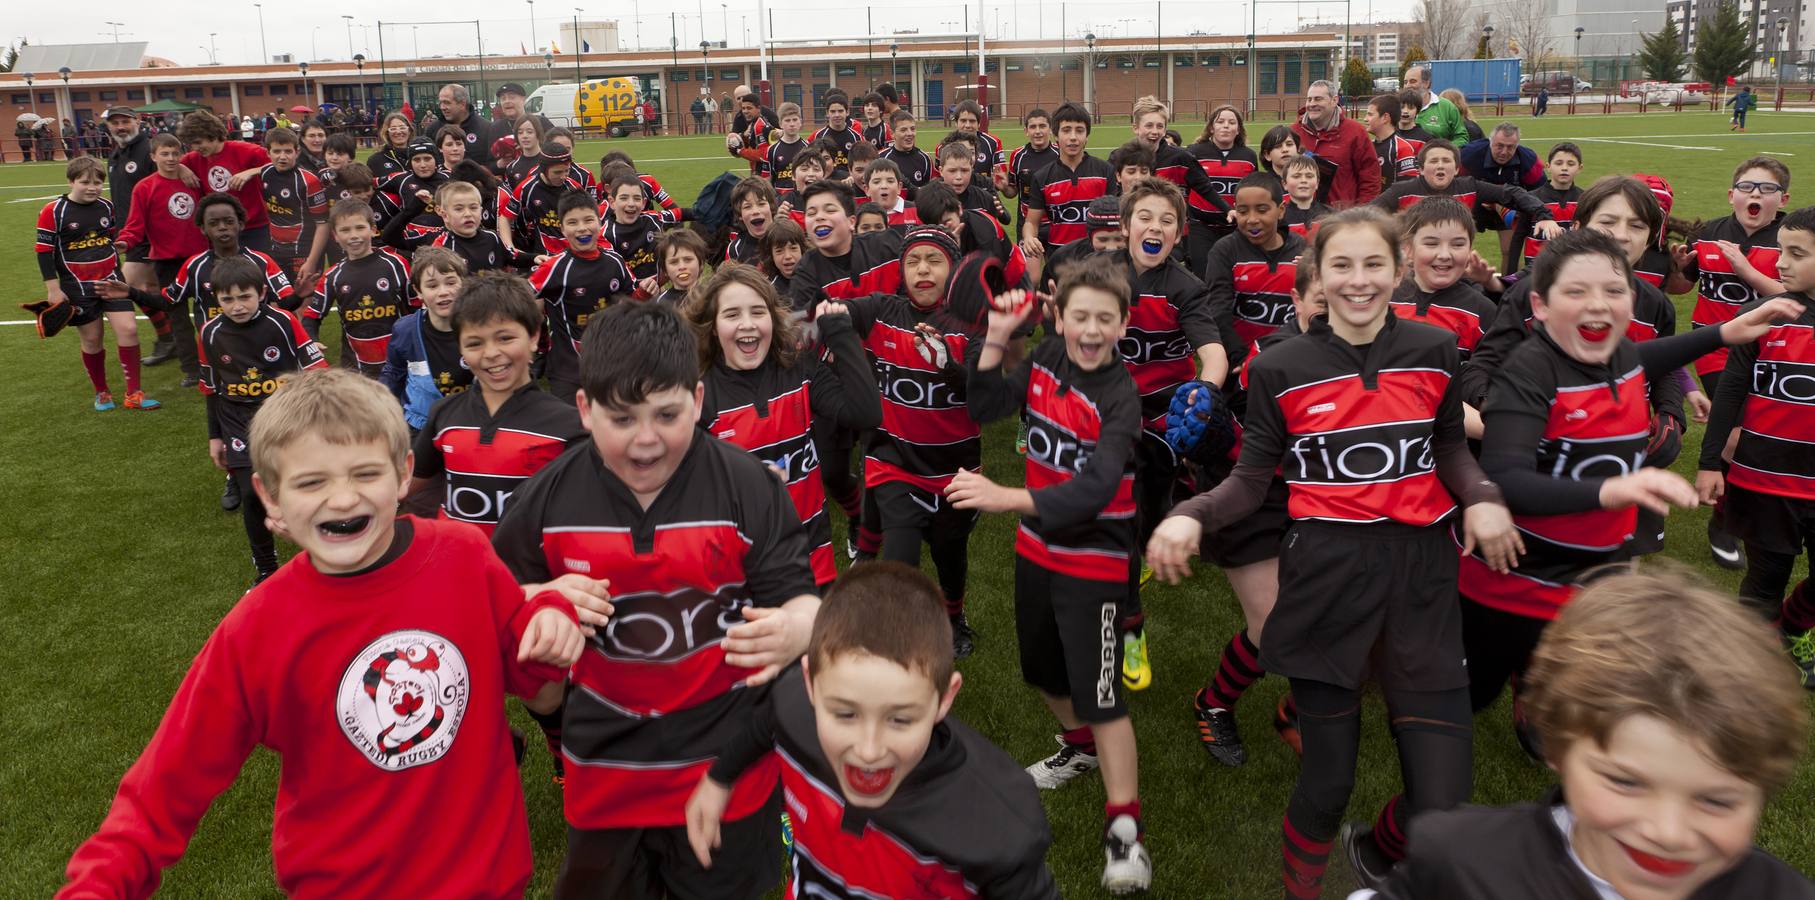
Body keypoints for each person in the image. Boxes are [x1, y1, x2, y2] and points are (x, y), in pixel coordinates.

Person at [57, 367, 585, 899]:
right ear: (269, 496)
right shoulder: (258, 629)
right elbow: (164, 785)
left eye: (365, 474)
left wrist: (550, 612)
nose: (342, 499)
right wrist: (99, 885)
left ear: (404, 473)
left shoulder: (464, 556)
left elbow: (529, 671)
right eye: (311, 482)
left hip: (489, 881)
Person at [1146, 206, 1519, 897]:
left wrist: (1483, 495)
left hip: (1422, 582)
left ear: (1398, 269)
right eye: (1340, 266)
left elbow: (1446, 447)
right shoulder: (1279, 368)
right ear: (1317, 275)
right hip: (1324, 579)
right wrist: (1190, 516)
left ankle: (1377, 852)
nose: (1357, 281)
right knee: (1327, 783)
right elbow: (1251, 479)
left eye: (1372, 264)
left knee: (1443, 794)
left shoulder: (1433, 348)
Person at [490, 300, 820, 899]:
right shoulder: (550, 498)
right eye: (622, 419)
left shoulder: (746, 487)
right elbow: (489, 599)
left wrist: (801, 626)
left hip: (729, 767)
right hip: (605, 770)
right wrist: (540, 595)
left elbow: (802, 601)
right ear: (585, 411)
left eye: (667, 415)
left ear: (697, 401)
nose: (646, 442)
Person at [1458, 230, 1803, 755]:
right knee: (1468, 695)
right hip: (1514, 580)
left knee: (1576, 690)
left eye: (1614, 291)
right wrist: (1615, 489)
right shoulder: (1527, 373)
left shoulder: (1616, 354)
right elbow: (1507, 479)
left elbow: (1647, 357)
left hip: (1594, 573)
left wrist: (1724, 332)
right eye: (1576, 292)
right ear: (1540, 305)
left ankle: (1548, 729)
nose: (1598, 303)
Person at [1363, 567, 1813, 898]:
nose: (1668, 831)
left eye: (1717, 800)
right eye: (1625, 781)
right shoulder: (1457, 858)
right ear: (1557, 748)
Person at [947, 254, 1150, 892]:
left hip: (1096, 556)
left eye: (1105, 320)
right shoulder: (1045, 360)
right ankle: (1079, 750)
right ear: (1058, 315)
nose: (1091, 330)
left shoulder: (1121, 395)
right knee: (1038, 668)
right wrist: (998, 340)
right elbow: (983, 406)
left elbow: (1094, 489)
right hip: (1039, 547)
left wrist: (1006, 498)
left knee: (1103, 695)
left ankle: (1126, 834)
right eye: (1079, 316)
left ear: (1123, 324)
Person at [685, 562, 1058, 897]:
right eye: (845, 715)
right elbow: (768, 722)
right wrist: (719, 779)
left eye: (899, 719)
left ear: (945, 698)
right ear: (810, 684)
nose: (868, 750)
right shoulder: (795, 710)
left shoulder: (991, 828)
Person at [837, 226, 989, 656]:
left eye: (934, 260)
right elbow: (831, 316)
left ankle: (954, 616)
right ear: (900, 271)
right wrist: (823, 326)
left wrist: (949, 369)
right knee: (901, 560)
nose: (922, 269)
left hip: (954, 472)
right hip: (896, 463)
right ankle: (902, 646)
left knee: (949, 554)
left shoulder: (975, 323)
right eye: (912, 261)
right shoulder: (881, 309)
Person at [686, 264, 882, 589]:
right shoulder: (698, 396)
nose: (747, 324)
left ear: (773, 320)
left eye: (757, 312)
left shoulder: (799, 368)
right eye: (732, 314)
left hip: (811, 553)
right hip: (742, 567)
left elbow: (866, 414)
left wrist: (843, 335)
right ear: (712, 326)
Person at [1697, 203, 1815, 687]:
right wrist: (1709, 463)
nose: (1780, 263)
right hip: (1764, 478)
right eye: (1781, 250)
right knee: (1764, 580)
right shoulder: (1764, 315)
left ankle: (1791, 625)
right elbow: (1729, 390)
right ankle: (1749, 665)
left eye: (1797, 253)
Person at [406, 270, 585, 538]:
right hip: (454, 570)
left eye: (505, 338)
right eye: (475, 343)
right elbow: (407, 484)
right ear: (461, 348)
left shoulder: (569, 425)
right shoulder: (444, 414)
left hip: (525, 576)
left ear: (534, 336)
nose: (491, 353)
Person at [1676, 156, 1790, 570]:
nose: (1755, 194)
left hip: (1778, 351)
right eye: (1746, 186)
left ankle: (1762, 505)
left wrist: (1746, 270)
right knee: (1737, 438)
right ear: (1731, 194)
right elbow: (1682, 286)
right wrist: (1679, 268)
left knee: (1765, 437)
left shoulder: (1793, 238)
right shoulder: (1709, 234)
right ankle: (1725, 523)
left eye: (1766, 188)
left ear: (1783, 198)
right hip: (1716, 349)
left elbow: (1795, 299)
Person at [191, 257, 331, 579]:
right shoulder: (210, 334)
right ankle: (266, 571)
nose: (237, 306)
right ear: (217, 299)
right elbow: (211, 390)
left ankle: (326, 551)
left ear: (262, 293)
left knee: (302, 486)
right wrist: (215, 437)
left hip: (285, 418)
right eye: (228, 299)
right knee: (253, 494)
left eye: (245, 297)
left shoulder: (282, 322)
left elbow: (317, 373)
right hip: (237, 421)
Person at [36, 157, 157, 412]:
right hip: (77, 286)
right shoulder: (53, 211)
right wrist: (53, 288)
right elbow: (44, 252)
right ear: (71, 181)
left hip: (112, 280)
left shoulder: (106, 207)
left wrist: (121, 244)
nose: (92, 187)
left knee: (129, 330)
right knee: (92, 340)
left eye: (97, 182)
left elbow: (110, 238)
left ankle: (134, 393)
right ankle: (102, 392)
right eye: (84, 182)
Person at [527, 191, 636, 404]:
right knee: (571, 428)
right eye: (573, 222)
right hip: (567, 369)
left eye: (588, 220)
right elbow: (522, 301)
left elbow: (632, 300)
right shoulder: (554, 267)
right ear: (562, 229)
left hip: (610, 362)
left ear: (599, 222)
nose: (582, 228)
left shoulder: (615, 262)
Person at [112, 132, 206, 371]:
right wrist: (125, 242)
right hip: (166, 261)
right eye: (165, 154)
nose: (171, 158)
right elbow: (134, 225)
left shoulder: (194, 181)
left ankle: (215, 362)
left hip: (200, 259)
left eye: (176, 153)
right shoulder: (144, 187)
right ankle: (191, 369)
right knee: (179, 318)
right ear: (153, 156)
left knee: (208, 315)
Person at [1203, 172, 1307, 364]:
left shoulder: (1302, 248)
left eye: (1262, 210)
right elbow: (1217, 311)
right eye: (1243, 211)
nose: (1252, 219)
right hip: (1241, 362)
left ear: (1281, 210)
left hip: (1293, 360)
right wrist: (1240, 357)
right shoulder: (1225, 250)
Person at [304, 199, 413, 377]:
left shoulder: (396, 264)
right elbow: (311, 317)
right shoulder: (332, 276)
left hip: (400, 359)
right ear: (335, 236)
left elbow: (415, 308)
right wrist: (313, 341)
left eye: (360, 228)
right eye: (345, 230)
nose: (353, 235)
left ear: (373, 229)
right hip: (355, 366)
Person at [1388, 197, 1499, 362]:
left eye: (1457, 244)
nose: (1444, 255)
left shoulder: (1482, 312)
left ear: (1470, 249)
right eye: (1432, 244)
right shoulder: (1385, 299)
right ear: (1408, 249)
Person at [379, 246, 471, 431]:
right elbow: (394, 373)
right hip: (421, 425)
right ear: (418, 291)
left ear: (464, 284)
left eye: (451, 282)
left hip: (470, 424)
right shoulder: (405, 330)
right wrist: (377, 401)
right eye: (432, 285)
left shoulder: (481, 326)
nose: (443, 291)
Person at [1020, 102, 1115, 259]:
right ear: (1056, 135)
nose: (1073, 137)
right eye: (1066, 130)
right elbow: (1031, 222)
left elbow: (1116, 219)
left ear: (1087, 136)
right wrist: (1029, 237)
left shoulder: (1105, 171)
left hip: (1098, 258)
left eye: (1079, 131)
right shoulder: (1042, 177)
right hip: (1059, 257)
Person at [176, 110, 274, 252]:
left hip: (254, 227)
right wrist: (180, 168)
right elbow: (164, 166)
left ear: (213, 135)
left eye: (198, 142)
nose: (195, 148)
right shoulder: (192, 159)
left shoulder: (245, 150)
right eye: (191, 144)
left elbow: (279, 164)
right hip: (218, 230)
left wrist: (251, 172)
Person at [1459, 122, 1545, 271]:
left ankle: (1508, 288)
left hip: (1508, 206)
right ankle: (1460, 285)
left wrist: (1521, 209)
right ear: (1490, 142)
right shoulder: (1468, 154)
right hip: (1473, 204)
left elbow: (1541, 191)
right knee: (1460, 248)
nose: (1504, 152)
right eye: (1499, 146)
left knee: (1509, 250)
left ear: (1517, 145)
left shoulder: (1529, 160)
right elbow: (1454, 183)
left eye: (1510, 147)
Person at [260, 128, 330, 303]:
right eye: (276, 151)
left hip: (304, 254)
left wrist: (312, 261)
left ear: (297, 152)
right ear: (268, 152)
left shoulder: (309, 181)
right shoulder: (265, 173)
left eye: (288, 151)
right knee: (278, 304)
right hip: (275, 252)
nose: (282, 157)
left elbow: (323, 224)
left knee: (302, 306)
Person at [1185, 105, 1256, 268]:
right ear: (1211, 127)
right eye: (1220, 122)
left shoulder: (1248, 156)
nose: (1226, 126)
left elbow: (1251, 191)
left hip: (1235, 229)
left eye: (1232, 122)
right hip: (1201, 227)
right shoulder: (1194, 152)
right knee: (1203, 275)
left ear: (1238, 129)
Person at [1290, 79, 1381, 208]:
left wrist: (1362, 212)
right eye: (1309, 99)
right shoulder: (1294, 132)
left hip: (1341, 217)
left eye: (1318, 99)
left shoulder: (1355, 132)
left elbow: (1370, 177)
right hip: (1301, 215)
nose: (1311, 104)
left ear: (1334, 100)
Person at [420, 83, 503, 171]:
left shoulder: (486, 128)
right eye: (440, 103)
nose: (442, 107)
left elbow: (494, 163)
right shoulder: (433, 129)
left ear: (462, 104)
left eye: (447, 103)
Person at [1400, 64, 1470, 144]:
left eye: (1413, 81)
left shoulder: (1446, 107)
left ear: (1426, 83)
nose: (1408, 86)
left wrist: (1442, 150)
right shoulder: (1395, 106)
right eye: (1405, 82)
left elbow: (1462, 137)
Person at [1366, 93, 1422, 190]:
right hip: (1369, 204)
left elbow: (1408, 189)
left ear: (1385, 118)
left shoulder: (1401, 148)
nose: (1365, 119)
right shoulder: (1368, 145)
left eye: (1370, 114)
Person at [879, 108, 934, 195]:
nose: (909, 134)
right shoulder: (882, 158)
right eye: (903, 130)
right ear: (892, 134)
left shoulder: (924, 158)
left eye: (912, 129)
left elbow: (929, 193)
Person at [810, 89, 865, 174]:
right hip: (825, 183)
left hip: (849, 183)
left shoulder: (857, 137)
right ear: (827, 113)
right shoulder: (818, 136)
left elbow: (863, 163)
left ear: (847, 112)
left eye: (840, 111)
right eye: (833, 111)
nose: (837, 115)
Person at [1280, 155, 1332, 239]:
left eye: (1309, 176)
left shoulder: (1331, 215)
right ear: (1285, 184)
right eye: (1296, 176)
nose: (1303, 180)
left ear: (1317, 183)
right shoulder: (1278, 217)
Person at [651, 228, 708, 304]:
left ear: (701, 263)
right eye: (674, 262)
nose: (682, 267)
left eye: (688, 260)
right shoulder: (660, 304)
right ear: (665, 270)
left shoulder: (712, 296)